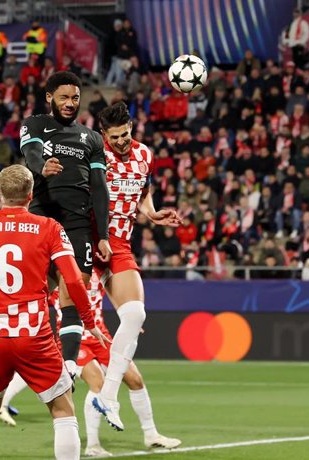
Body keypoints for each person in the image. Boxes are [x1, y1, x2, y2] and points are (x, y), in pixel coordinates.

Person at [0, 164, 108, 460]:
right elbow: (72, 279)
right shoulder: (50, 228)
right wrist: (88, 320)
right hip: (35, 335)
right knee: (62, 409)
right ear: (31, 195)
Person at [91, 102, 182, 432]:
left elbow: (143, 194)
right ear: (104, 134)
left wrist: (152, 213)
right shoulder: (91, 151)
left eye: (126, 134)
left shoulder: (144, 154)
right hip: (86, 241)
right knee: (66, 329)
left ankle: (108, 395)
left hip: (119, 244)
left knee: (134, 315)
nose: (122, 141)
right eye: (115, 137)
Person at [20, 71, 112, 378]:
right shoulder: (34, 124)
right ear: (50, 98)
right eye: (64, 97)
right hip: (42, 221)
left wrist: (103, 235)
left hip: (77, 225)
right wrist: (41, 167)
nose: (70, 103)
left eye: (75, 97)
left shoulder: (93, 138)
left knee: (75, 290)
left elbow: (99, 187)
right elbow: (31, 152)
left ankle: (69, 368)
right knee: (27, 296)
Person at [57, 275, 181, 455]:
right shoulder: (61, 265)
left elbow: (114, 293)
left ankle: (151, 435)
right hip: (74, 337)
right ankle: (93, 445)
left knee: (135, 380)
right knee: (97, 382)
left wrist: (130, 319)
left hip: (100, 335)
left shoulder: (98, 265)